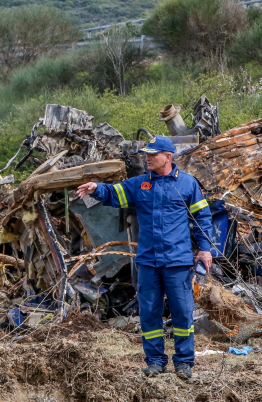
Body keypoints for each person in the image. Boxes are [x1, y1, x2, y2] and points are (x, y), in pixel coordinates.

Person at [76, 135, 214, 380]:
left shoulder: (187, 184)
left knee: (182, 312)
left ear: (168, 157)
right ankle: (155, 361)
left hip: (178, 262)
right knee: (149, 312)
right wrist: (97, 188)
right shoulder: (139, 184)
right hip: (148, 262)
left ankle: (184, 363)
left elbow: (202, 219)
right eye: (146, 154)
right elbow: (114, 193)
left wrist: (204, 249)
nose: (147, 158)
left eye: (153, 154)